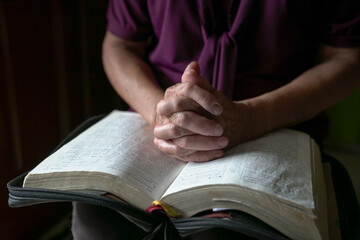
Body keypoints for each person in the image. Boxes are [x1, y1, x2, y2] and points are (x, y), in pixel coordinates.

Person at [71, 0, 360, 239]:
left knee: (225, 231)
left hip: (280, 122)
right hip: (155, 119)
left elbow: (346, 57)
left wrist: (252, 117)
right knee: (96, 213)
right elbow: (120, 45)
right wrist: (159, 112)